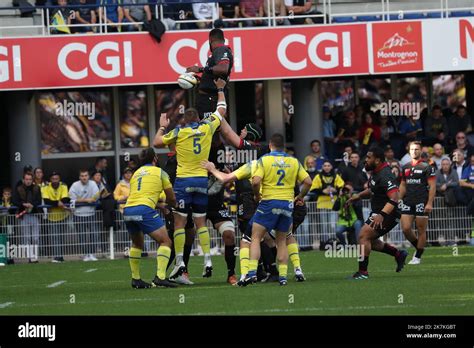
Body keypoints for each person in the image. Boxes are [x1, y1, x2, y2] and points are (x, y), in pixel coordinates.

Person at [153, 78, 228, 280]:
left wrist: (162, 126)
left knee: (180, 223)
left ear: (185, 120)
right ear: (199, 118)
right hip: (201, 182)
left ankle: (180, 262)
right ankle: (208, 260)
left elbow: (157, 142)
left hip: (183, 183)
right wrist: (220, 89)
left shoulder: (180, 132)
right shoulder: (207, 128)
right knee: (201, 223)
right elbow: (222, 110)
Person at [241, 133, 312, 286]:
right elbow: (308, 181)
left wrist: (256, 196)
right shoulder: (293, 161)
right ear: (283, 146)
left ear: (270, 145)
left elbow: (255, 182)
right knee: (283, 240)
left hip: (269, 203)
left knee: (255, 237)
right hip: (287, 205)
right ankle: (284, 276)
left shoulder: (264, 160)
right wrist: (300, 196)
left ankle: (251, 273)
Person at [345, 147, 408, 280]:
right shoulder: (376, 171)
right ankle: (398, 254)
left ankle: (363, 272)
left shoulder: (385, 175)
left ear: (377, 160)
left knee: (363, 236)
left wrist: (382, 215)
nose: (365, 160)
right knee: (370, 241)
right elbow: (373, 189)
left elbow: (395, 197)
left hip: (389, 214)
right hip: (379, 212)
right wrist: (358, 196)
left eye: (368, 158)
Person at [123, 148, 177, 289]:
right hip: (144, 209)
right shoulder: (160, 172)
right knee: (165, 241)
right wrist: (172, 206)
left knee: (137, 244)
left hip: (128, 210)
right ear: (155, 158)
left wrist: (160, 206)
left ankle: (136, 280)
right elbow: (171, 197)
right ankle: (160, 278)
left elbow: (140, 195)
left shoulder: (136, 174)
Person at [399, 141, 436, 265]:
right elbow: (403, 184)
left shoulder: (427, 167)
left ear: (420, 151)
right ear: (409, 151)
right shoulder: (405, 167)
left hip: (422, 201)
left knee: (421, 230)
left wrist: (430, 203)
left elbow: (432, 186)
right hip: (408, 201)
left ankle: (417, 257)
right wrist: (398, 199)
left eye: (416, 149)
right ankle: (419, 247)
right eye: (412, 149)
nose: (414, 151)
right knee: (405, 228)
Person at [186, 28, 233, 120]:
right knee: (207, 130)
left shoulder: (221, 49)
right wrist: (201, 80)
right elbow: (213, 73)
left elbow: (223, 69)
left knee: (210, 130)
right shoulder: (217, 52)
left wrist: (200, 69)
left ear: (210, 40)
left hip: (210, 100)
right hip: (208, 99)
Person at [310, 160, 344, 245]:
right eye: (325, 166)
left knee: (333, 224)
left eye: (329, 165)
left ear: (331, 167)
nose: (327, 167)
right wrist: (323, 191)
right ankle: (324, 242)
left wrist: (335, 190)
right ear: (322, 167)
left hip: (334, 205)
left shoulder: (336, 176)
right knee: (324, 225)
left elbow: (342, 187)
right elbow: (313, 189)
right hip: (322, 204)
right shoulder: (318, 176)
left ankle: (334, 241)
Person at [69, 170, 100, 262]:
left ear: (88, 176)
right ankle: (86, 254)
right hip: (78, 214)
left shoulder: (93, 183)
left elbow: (96, 197)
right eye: (82, 176)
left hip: (91, 214)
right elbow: (71, 199)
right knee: (82, 236)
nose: (84, 177)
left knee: (94, 235)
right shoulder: (75, 185)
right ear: (79, 177)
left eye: (86, 175)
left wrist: (80, 199)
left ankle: (92, 254)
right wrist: (87, 200)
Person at [12, 173, 42, 263]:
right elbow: (15, 201)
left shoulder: (37, 188)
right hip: (23, 215)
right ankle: (30, 257)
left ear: (32, 180)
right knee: (27, 237)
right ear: (23, 179)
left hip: (35, 214)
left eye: (30, 179)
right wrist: (24, 204)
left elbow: (39, 201)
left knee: (36, 237)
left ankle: (35, 256)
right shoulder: (18, 188)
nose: (28, 181)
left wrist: (32, 205)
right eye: (26, 179)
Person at [42, 172, 70, 263]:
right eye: (53, 179)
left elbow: (65, 199)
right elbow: (46, 201)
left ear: (59, 179)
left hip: (63, 216)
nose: (55, 180)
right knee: (54, 237)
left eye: (56, 178)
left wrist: (55, 202)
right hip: (51, 217)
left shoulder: (64, 185)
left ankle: (60, 256)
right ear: (50, 180)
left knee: (61, 237)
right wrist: (58, 203)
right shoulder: (45, 186)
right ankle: (56, 257)